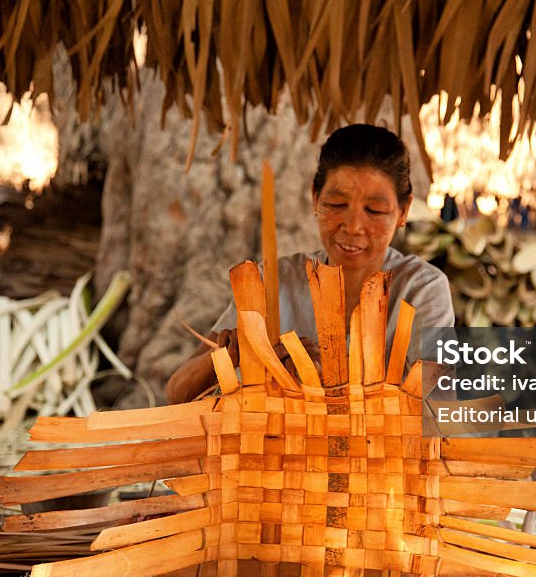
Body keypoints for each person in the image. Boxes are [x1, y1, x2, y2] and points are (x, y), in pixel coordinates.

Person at [165, 124, 454, 404]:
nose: (353, 226)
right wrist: (229, 355)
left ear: (403, 212)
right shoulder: (273, 283)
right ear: (316, 199)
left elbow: (438, 408)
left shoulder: (423, 289)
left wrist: (329, 378)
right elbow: (177, 393)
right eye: (337, 205)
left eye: (374, 210)